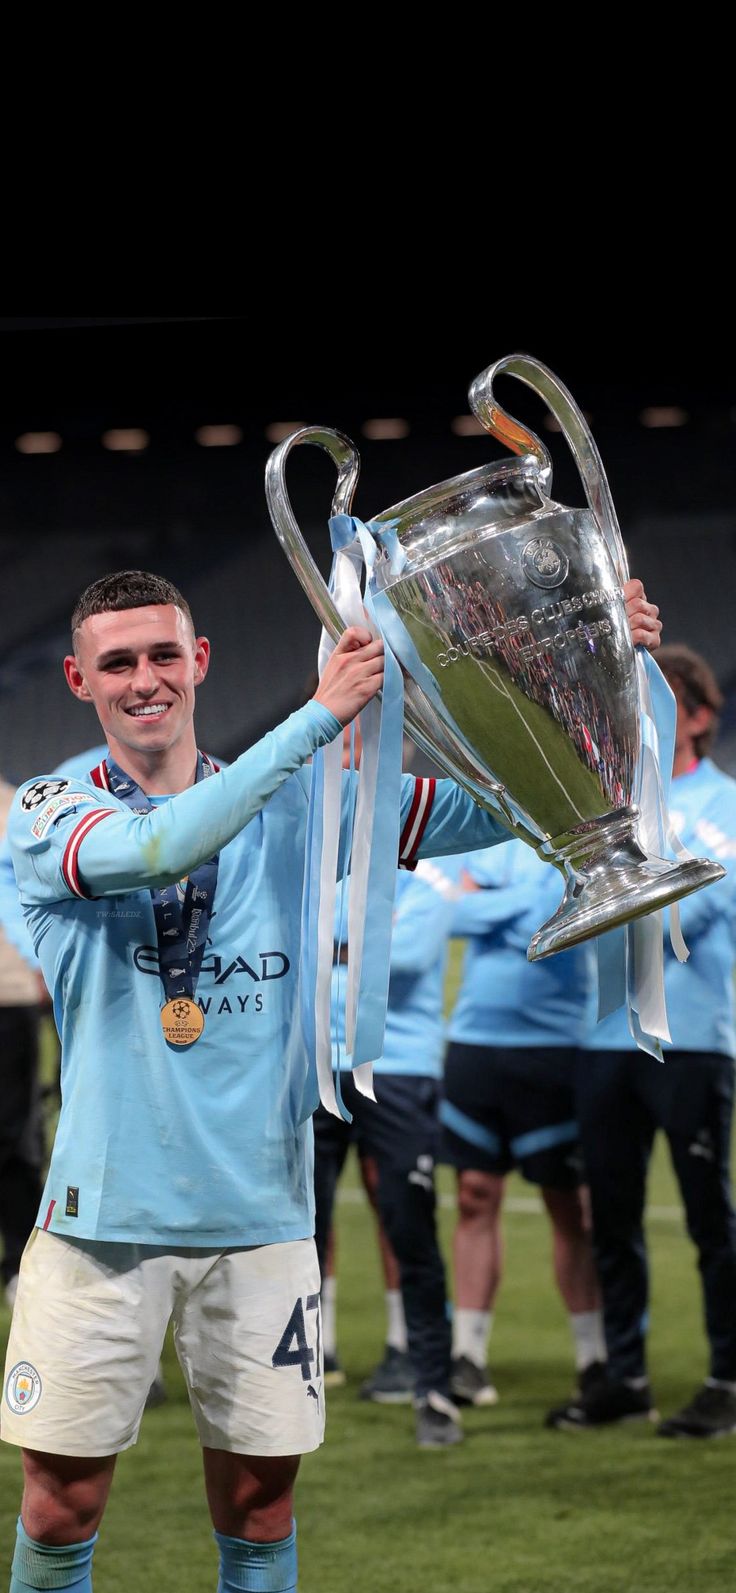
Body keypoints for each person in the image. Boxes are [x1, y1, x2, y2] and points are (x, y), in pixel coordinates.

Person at [1, 568, 513, 1593]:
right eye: (117, 663)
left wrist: (599, 679)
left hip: (263, 1221)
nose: (144, 679)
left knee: (261, 1509)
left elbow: (493, 812)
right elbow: (165, 844)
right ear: (78, 679)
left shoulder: (304, 804)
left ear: (199, 661)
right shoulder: (48, 810)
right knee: (61, 1506)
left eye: (161, 655)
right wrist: (319, 721)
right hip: (103, 1223)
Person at [549, 643, 736, 1438]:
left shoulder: (726, 805)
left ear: (696, 716)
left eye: (660, 701)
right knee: (611, 1215)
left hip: (692, 1038)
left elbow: (694, 911)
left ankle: (727, 1375)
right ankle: (625, 1374)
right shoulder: (600, 804)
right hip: (602, 1038)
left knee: (706, 1215)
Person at [440, 841, 607, 1415]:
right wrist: (526, 905)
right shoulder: (488, 833)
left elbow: (562, 923)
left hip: (554, 1045)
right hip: (474, 1044)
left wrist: (493, 902)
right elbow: (452, 914)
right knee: (473, 1196)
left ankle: (594, 1359)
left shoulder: (576, 837)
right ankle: (467, 1354)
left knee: (570, 1207)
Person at [313, 850, 463, 1447]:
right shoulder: (316, 869)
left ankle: (433, 1387)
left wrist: (326, 948)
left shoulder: (430, 878)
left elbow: (406, 957)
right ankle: (300, 1367)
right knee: (300, 1227)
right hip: (317, 1067)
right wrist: (351, 948)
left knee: (410, 1226)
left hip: (397, 1071)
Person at [0, 779, 48, 1312]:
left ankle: (20, 1261)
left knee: (14, 1137)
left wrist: (40, 967)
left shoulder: (16, 805)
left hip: (7, 996)